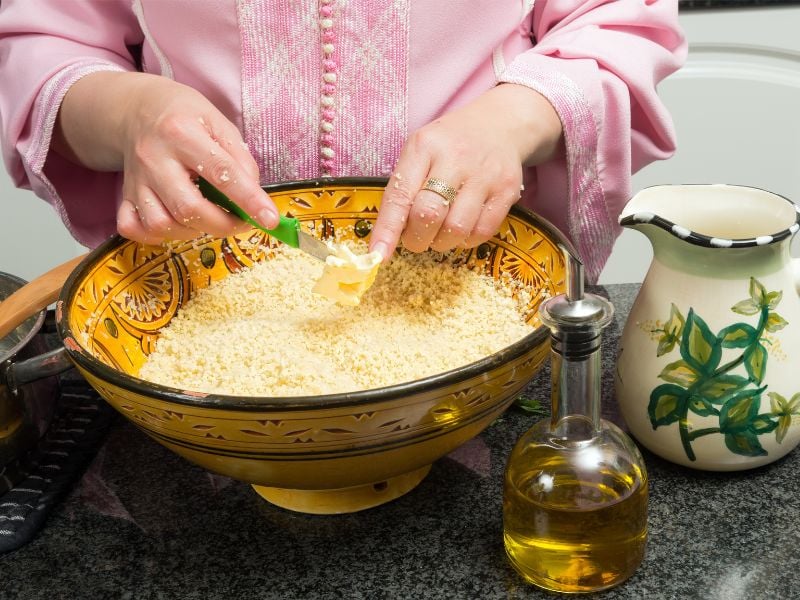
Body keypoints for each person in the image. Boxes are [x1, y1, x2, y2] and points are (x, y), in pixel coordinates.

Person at [0, 1, 686, 283]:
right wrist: (131, 114)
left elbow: (617, 18)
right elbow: (45, 39)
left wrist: (510, 122)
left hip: (480, 283)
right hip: (203, 291)